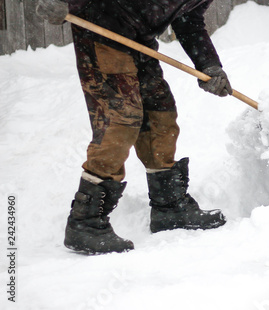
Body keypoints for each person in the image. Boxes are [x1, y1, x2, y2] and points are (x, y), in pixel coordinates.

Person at [36, 0, 233, 254]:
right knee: (120, 121)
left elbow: (189, 22)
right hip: (101, 31)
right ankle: (85, 223)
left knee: (160, 117)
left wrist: (209, 66)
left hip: (139, 42)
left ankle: (169, 207)